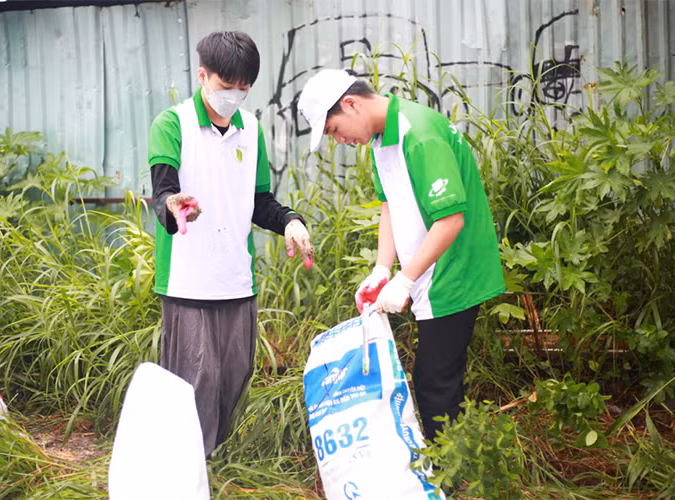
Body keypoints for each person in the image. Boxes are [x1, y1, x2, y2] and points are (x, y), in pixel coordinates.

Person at [297, 69, 504, 441]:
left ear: (351, 103)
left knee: (434, 385)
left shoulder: (419, 135)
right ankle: (450, 471)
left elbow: (451, 221)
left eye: (333, 130)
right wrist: (381, 268)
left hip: (454, 272)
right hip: (428, 271)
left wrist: (405, 278)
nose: (339, 140)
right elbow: (389, 204)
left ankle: (453, 481)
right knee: (434, 381)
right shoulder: (380, 140)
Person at [148, 31, 314, 457]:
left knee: (233, 376)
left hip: (236, 278)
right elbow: (163, 192)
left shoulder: (251, 129)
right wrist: (175, 205)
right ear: (203, 75)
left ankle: (212, 459)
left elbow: (258, 202)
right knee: (195, 378)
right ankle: (187, 467)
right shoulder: (172, 124)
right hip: (188, 278)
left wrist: (290, 221)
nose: (235, 96)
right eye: (226, 87)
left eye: (244, 89)